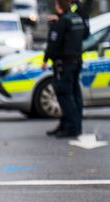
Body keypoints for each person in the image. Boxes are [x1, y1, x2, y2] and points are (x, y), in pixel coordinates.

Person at [42, 0, 87, 138]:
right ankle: (73, 125)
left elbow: (53, 43)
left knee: (64, 96)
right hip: (76, 61)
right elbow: (85, 34)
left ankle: (71, 127)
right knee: (75, 95)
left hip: (64, 64)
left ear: (59, 7)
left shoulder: (62, 22)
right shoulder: (78, 18)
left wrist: (45, 59)